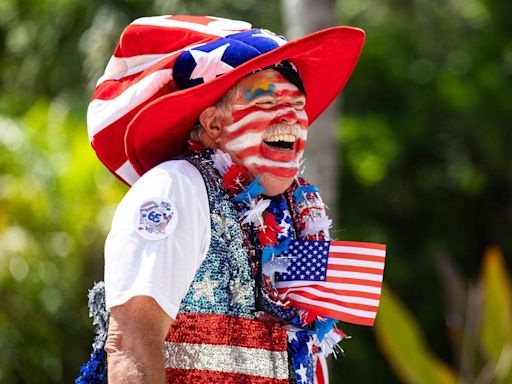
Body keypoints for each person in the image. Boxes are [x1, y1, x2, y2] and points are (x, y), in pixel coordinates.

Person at [78, 15, 365, 384]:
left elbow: (306, 349)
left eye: (297, 104)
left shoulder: (296, 209)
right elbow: (131, 341)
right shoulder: (175, 187)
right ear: (214, 125)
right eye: (266, 102)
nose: (291, 118)